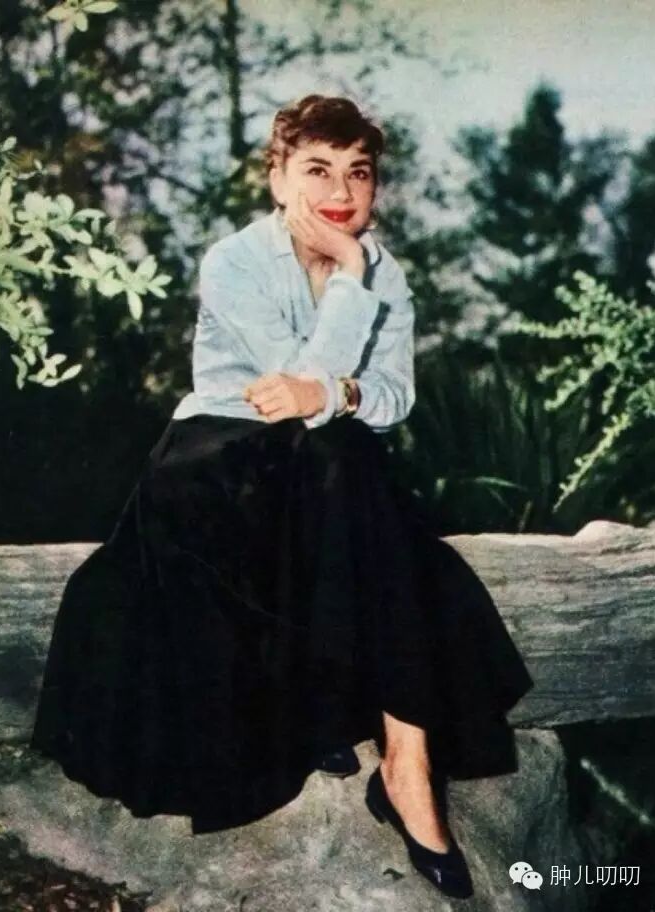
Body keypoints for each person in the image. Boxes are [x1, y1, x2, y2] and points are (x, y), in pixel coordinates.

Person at [30, 95, 533, 901]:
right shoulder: (234, 261)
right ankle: (376, 747)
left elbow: (391, 396)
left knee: (345, 453)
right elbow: (287, 387)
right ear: (277, 178)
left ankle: (406, 763)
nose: (341, 191)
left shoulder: (387, 270)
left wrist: (336, 387)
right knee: (352, 468)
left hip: (323, 472)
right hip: (215, 464)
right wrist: (349, 292)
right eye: (318, 170)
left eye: (358, 173)